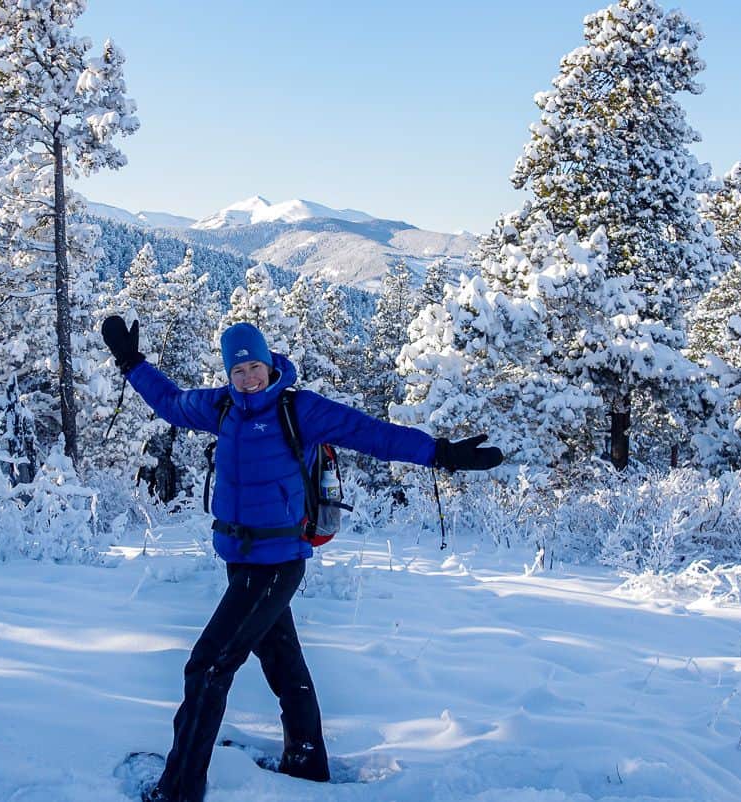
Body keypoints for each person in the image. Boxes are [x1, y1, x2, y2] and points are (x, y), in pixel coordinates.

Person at [102, 315, 503, 802]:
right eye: (238, 369)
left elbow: (372, 434)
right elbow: (169, 403)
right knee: (285, 666)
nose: (248, 377)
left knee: (207, 667)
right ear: (228, 374)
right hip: (240, 561)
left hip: (277, 565)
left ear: (270, 364)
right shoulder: (222, 408)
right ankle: (306, 764)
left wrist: (442, 454)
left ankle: (180, 789)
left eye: (255, 366)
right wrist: (131, 362)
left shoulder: (300, 410)